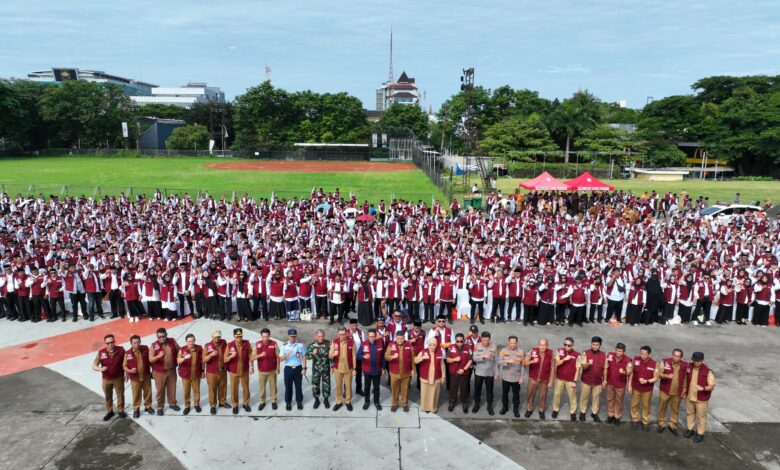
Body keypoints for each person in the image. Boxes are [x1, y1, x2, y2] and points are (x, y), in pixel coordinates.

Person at [92, 333, 126, 421]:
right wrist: (100, 369)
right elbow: (94, 365)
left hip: (118, 378)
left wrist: (127, 373)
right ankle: (110, 411)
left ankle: (120, 410)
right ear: (105, 343)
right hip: (106, 379)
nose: (110, 344)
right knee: (108, 396)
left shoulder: (121, 350)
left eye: (112, 342)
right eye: (108, 343)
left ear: (114, 342)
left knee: (120, 395)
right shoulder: (101, 353)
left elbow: (126, 363)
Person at [684, 352, 715, 443]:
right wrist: (684, 390)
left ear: (702, 361)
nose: (696, 362)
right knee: (690, 413)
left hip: (701, 399)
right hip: (690, 396)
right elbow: (686, 379)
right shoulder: (689, 367)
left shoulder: (708, 372)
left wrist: (703, 388)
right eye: (694, 360)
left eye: (698, 361)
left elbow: (712, 386)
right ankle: (690, 429)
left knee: (701, 416)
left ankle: (700, 433)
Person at [149, 327, 180, 416]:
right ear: (157, 337)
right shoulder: (153, 345)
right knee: (160, 390)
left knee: (172, 388)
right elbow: (150, 359)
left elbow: (179, 351)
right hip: (159, 372)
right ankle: (160, 407)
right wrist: (158, 356)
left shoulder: (172, 341)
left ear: (166, 335)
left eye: (163, 336)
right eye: (159, 337)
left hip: (171, 370)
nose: (161, 338)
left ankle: (172, 403)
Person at [656, 348, 687, 435]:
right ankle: (661, 422)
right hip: (665, 390)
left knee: (675, 409)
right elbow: (658, 373)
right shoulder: (664, 362)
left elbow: (686, 378)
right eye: (674, 355)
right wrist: (665, 376)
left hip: (677, 392)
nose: (675, 357)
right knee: (662, 407)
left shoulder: (685, 365)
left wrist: (684, 388)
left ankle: (672, 424)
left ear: (681, 357)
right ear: (672, 355)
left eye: (678, 356)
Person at [123, 334, 153, 419]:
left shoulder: (145, 348)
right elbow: (124, 366)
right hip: (135, 378)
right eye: (134, 343)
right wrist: (129, 371)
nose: (137, 344)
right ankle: (136, 409)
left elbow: (150, 360)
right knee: (136, 394)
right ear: (131, 343)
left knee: (148, 392)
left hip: (146, 376)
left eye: (138, 342)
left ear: (140, 342)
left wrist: (153, 370)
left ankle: (148, 406)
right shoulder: (127, 353)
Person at [577, 336, 607, 422]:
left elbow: (605, 368)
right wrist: (587, 364)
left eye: (596, 345)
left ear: (600, 345)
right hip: (586, 380)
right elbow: (583, 367)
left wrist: (604, 380)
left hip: (598, 381)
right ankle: (582, 412)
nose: (594, 346)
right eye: (593, 344)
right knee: (584, 397)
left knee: (596, 398)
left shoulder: (603, 355)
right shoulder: (585, 353)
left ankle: (594, 413)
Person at [523, 338, 554, 419]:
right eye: (541, 345)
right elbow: (524, 363)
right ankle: (529, 409)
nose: (542, 347)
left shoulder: (551, 353)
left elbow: (552, 368)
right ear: (538, 345)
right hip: (533, 379)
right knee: (530, 394)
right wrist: (532, 361)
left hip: (544, 380)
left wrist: (551, 381)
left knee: (543, 396)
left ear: (547, 346)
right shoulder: (532, 351)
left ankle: (541, 410)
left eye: (544, 345)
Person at [629, 345, 658, 431]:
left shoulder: (654, 363)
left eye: (644, 354)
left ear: (649, 354)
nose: (642, 355)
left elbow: (656, 378)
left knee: (646, 405)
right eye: (641, 353)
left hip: (647, 389)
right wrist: (629, 385)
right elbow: (631, 373)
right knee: (634, 404)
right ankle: (634, 420)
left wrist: (647, 381)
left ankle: (645, 422)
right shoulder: (635, 360)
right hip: (636, 387)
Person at [251, 327, 280, 411]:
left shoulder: (274, 344)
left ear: (269, 336)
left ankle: (273, 401)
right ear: (261, 336)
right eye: (263, 336)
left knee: (273, 387)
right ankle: (262, 402)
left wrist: (278, 368)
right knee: (262, 388)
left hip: (272, 370)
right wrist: (260, 355)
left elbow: (278, 357)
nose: (265, 338)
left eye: (267, 336)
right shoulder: (257, 344)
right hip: (262, 371)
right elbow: (252, 357)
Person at [551, 337, 580, 421]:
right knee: (556, 395)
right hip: (559, 379)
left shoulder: (577, 355)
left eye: (569, 345)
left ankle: (573, 412)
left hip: (570, 381)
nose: (566, 346)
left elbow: (578, 369)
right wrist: (564, 359)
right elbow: (556, 364)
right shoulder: (559, 351)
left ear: (573, 345)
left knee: (572, 397)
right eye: (565, 344)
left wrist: (575, 381)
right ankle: (555, 410)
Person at [385, 330, 414, 412]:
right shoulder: (391, 345)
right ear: (395, 338)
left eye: (401, 338)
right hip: (394, 373)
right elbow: (386, 356)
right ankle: (394, 404)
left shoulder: (409, 345)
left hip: (406, 372)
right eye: (398, 338)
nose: (400, 340)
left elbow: (413, 357)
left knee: (405, 389)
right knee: (394, 389)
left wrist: (413, 369)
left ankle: (405, 404)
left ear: (404, 338)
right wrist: (392, 357)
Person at [329, 326, 357, 411]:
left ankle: (348, 402)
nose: (342, 336)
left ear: (346, 333)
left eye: (344, 334)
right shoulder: (334, 342)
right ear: (338, 334)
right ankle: (338, 402)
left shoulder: (351, 341)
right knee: (338, 386)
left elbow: (354, 356)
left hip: (348, 368)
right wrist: (333, 354)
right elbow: (329, 356)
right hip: (337, 368)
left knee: (348, 386)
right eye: (340, 334)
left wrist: (354, 369)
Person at [415, 337, 445, 413]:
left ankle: (433, 408)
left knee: (434, 394)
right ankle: (425, 408)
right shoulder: (423, 351)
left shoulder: (439, 352)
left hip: (436, 378)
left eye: (434, 345)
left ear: (436, 345)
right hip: (425, 377)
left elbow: (442, 365)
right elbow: (415, 361)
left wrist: (443, 376)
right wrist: (422, 358)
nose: (432, 346)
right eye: (430, 345)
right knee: (425, 393)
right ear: (428, 345)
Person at [497, 335, 525, 418]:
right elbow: (499, 362)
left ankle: (515, 409)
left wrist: (521, 377)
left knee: (516, 394)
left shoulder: (521, 352)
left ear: (517, 343)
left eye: (514, 343)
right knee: (505, 394)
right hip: (506, 377)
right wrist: (507, 361)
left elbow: (523, 366)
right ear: (508, 342)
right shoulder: (503, 351)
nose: (513, 345)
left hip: (516, 378)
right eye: (511, 343)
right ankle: (504, 407)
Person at [604, 342, 631, 425]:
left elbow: (629, 372)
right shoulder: (610, 355)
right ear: (615, 350)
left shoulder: (628, 360)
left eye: (620, 351)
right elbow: (605, 367)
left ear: (623, 352)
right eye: (617, 350)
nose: (618, 353)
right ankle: (610, 415)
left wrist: (624, 372)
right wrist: (604, 380)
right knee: (610, 399)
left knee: (619, 401)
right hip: (610, 382)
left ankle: (617, 417)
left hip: (620, 384)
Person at [203, 330, 230, 414]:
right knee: (212, 389)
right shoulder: (207, 346)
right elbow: (204, 359)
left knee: (223, 387)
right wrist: (210, 355)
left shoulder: (224, 342)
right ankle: (213, 405)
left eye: (218, 337)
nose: (217, 338)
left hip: (222, 370)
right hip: (212, 372)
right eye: (215, 337)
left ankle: (222, 402)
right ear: (212, 337)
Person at [280, 328, 307, 410]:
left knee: (298, 386)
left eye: (294, 336)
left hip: (298, 368)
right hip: (288, 368)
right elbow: (280, 359)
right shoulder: (284, 346)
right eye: (291, 336)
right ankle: (288, 403)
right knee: (288, 387)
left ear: (296, 336)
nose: (293, 338)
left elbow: (304, 356)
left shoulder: (300, 345)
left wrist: (304, 368)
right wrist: (286, 355)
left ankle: (299, 402)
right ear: (288, 336)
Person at [177, 333, 203, 415]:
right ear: (186, 341)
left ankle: (196, 404)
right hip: (186, 375)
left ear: (194, 341)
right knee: (186, 391)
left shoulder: (199, 348)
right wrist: (184, 358)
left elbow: (202, 361)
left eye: (192, 341)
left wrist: (202, 371)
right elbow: (178, 360)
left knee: (196, 390)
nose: (191, 343)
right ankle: (187, 406)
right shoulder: (182, 349)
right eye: (189, 341)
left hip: (196, 374)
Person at [446, 333, 473, 413]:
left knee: (464, 390)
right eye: (457, 341)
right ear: (455, 341)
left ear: (464, 341)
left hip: (464, 373)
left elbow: (470, 360)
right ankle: (451, 403)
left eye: (461, 341)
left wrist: (464, 369)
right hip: (453, 373)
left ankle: (465, 404)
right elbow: (447, 360)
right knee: (453, 389)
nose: (459, 343)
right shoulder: (451, 347)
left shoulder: (468, 348)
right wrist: (454, 359)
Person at [472, 331, 497, 415]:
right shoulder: (477, 346)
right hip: (479, 373)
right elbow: (474, 358)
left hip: (489, 373)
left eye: (487, 340)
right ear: (481, 339)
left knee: (490, 392)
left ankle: (489, 407)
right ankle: (476, 405)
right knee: (477, 390)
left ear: (489, 339)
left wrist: (496, 373)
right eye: (484, 340)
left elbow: (496, 361)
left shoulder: (494, 347)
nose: (485, 342)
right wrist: (483, 356)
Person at [306, 329, 332, 409]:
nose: (320, 338)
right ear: (316, 336)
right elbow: (307, 357)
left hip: (326, 369)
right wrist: (312, 353)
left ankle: (326, 399)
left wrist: (332, 366)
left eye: (322, 336)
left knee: (326, 385)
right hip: (316, 370)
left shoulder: (329, 344)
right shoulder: (312, 345)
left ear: (324, 336)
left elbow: (331, 357)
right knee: (315, 385)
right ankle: (316, 400)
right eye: (319, 336)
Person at [360, 329, 384, 410]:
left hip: (377, 371)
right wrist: (363, 356)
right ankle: (366, 402)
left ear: (375, 336)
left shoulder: (380, 344)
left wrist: (383, 367)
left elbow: (383, 357)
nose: (372, 338)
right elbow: (357, 355)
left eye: (373, 336)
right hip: (367, 371)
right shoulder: (363, 344)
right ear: (367, 336)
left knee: (376, 388)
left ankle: (376, 402)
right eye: (370, 336)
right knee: (367, 387)